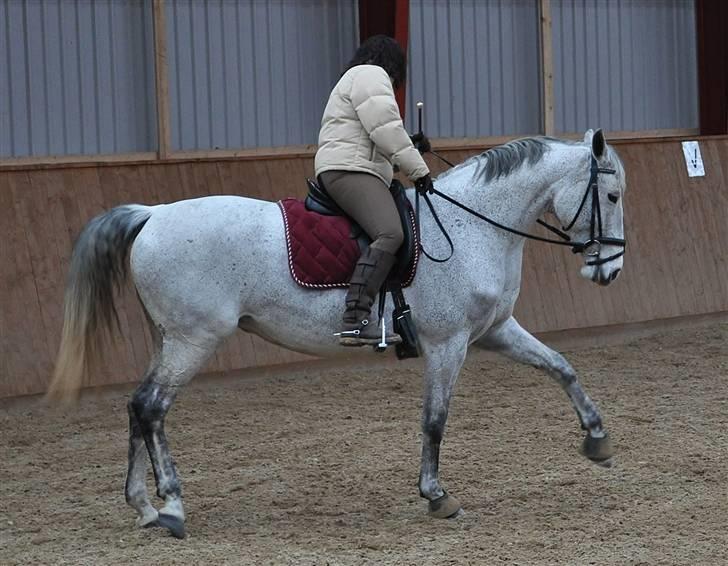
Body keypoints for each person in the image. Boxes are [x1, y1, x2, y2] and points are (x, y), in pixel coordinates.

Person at [315, 35, 434, 347]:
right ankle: (355, 319)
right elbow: (385, 130)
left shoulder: (355, 77)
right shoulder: (372, 75)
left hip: (352, 165)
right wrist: (418, 169)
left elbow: (373, 138)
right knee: (390, 233)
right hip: (348, 170)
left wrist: (411, 144)